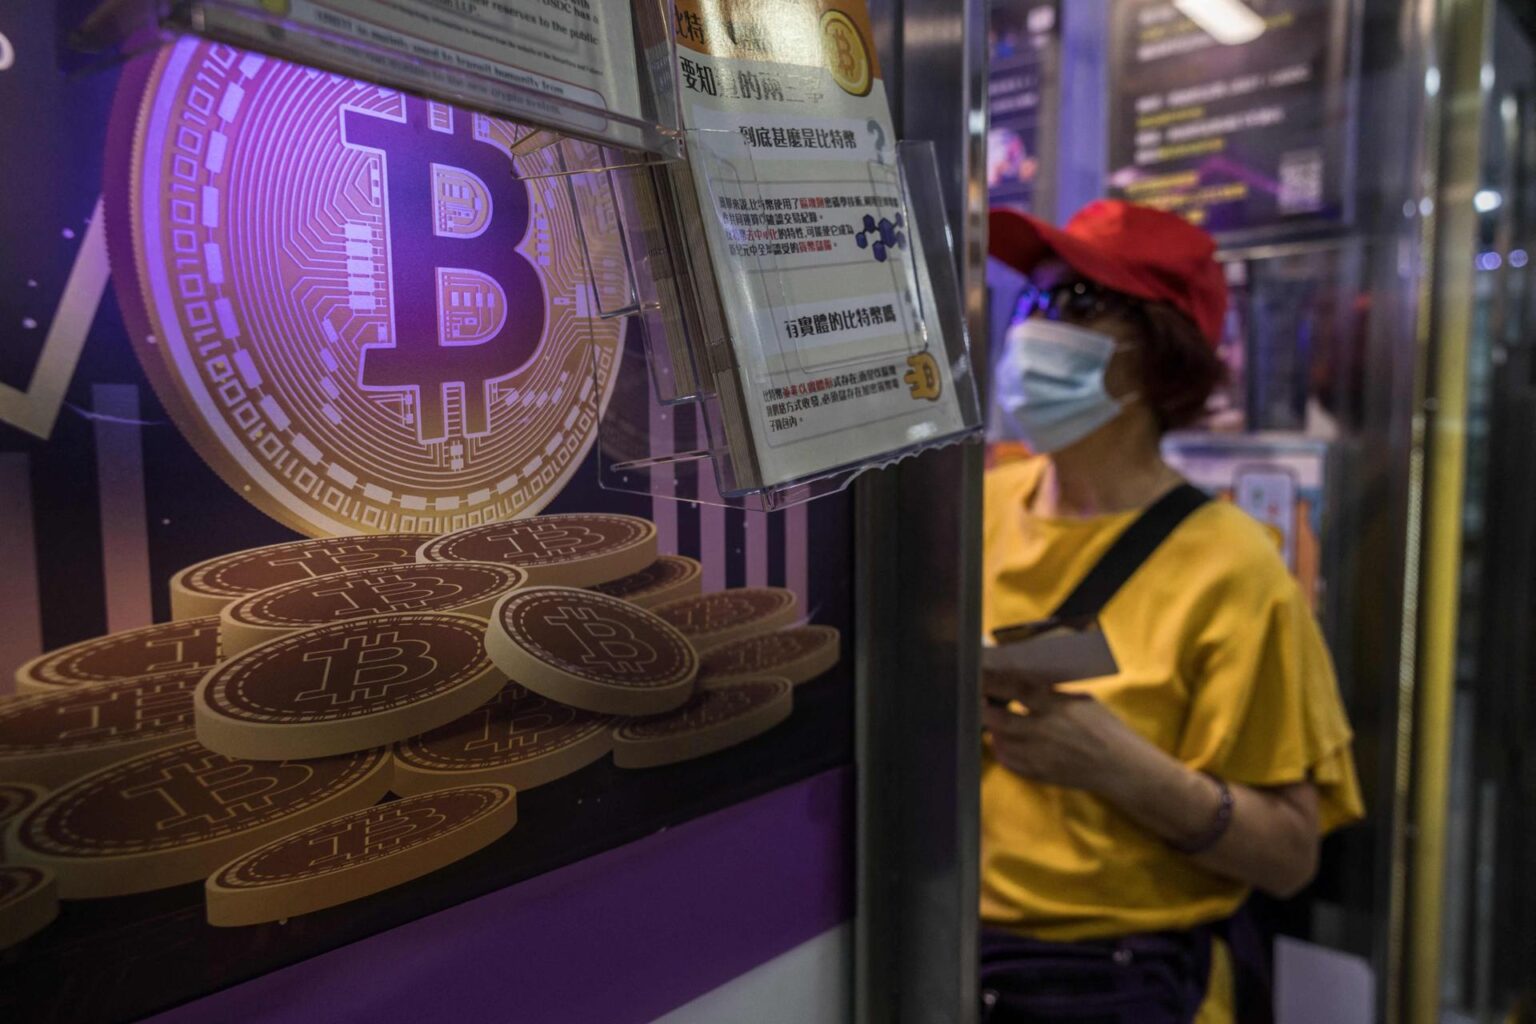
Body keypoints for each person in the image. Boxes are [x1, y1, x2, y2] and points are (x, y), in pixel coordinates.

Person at [979, 200, 1364, 1024]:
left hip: (1118, 983)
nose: (1036, 328)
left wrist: (1125, 769)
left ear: (1164, 353)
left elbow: (1292, 857)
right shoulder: (970, 512)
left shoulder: (1235, 565)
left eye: (1080, 301)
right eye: (1035, 300)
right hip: (940, 949)